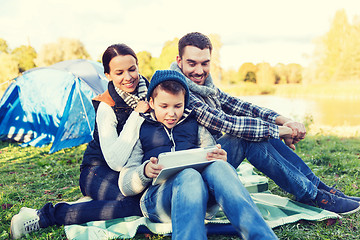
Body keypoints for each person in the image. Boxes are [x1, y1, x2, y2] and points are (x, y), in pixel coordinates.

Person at [168, 32, 360, 215]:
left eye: (205, 63)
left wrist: (285, 121)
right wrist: (279, 131)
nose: (199, 70)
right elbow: (226, 123)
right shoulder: (177, 90)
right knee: (245, 136)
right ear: (179, 61)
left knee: (260, 132)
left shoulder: (206, 87)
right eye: (192, 63)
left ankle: (320, 189)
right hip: (191, 181)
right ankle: (314, 196)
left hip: (210, 161)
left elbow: (242, 106)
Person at [10, 43, 151, 239]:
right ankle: (44, 216)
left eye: (132, 69)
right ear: (108, 75)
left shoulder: (150, 94)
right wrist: (137, 115)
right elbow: (116, 161)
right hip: (97, 171)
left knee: (151, 199)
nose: (128, 77)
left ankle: (87, 204)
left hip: (131, 170)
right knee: (136, 205)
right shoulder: (106, 107)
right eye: (119, 72)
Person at [118, 69, 279, 240]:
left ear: (185, 102)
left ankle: (262, 237)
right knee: (188, 174)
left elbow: (210, 157)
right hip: (158, 201)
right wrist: (144, 172)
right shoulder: (141, 128)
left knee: (219, 167)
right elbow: (125, 185)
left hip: (199, 199)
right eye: (164, 106)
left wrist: (219, 159)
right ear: (151, 102)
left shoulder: (195, 125)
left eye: (178, 106)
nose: (171, 113)